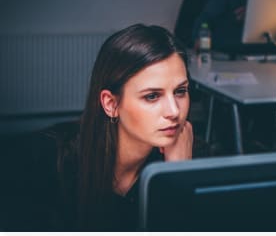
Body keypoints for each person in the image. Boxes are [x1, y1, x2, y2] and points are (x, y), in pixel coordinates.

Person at [8, 24, 202, 231]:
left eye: (180, 91)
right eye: (152, 96)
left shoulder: (190, 157)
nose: (174, 111)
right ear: (111, 104)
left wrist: (177, 176)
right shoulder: (47, 161)